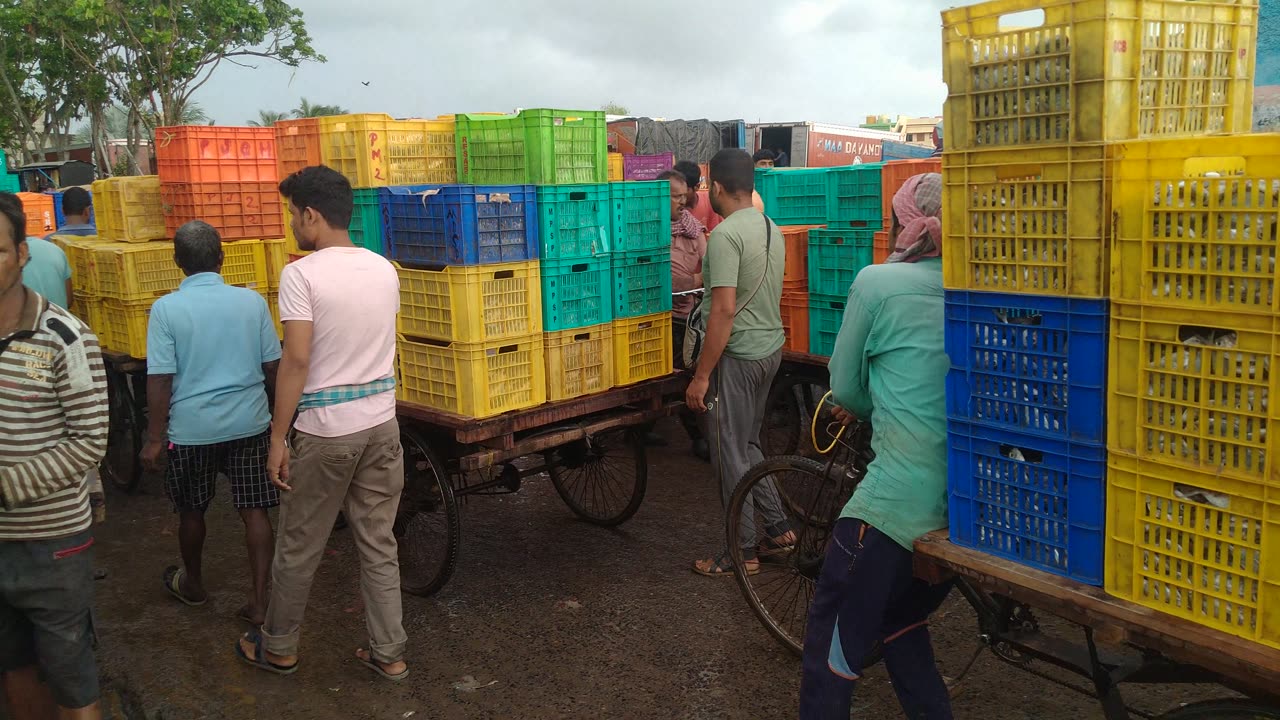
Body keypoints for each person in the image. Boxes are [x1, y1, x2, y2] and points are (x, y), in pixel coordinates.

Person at [234, 166, 407, 682]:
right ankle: (389, 651)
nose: (291, 223)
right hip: (382, 424)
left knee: (299, 544)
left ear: (310, 214)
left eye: (292, 213)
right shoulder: (384, 268)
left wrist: (276, 437)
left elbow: (297, 360)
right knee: (379, 543)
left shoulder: (301, 275)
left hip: (327, 431)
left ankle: (280, 646)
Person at [799, 174, 952, 719]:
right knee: (901, 623)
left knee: (830, 652)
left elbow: (844, 386)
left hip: (895, 510)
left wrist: (865, 404)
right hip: (965, 515)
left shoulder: (877, 282)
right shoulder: (975, 285)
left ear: (905, 224)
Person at [0, 192, 109, 720]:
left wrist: (5, 487)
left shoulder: (64, 337)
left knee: (70, 674)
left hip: (52, 542)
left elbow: (90, 440)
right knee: (13, 666)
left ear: (22, 253)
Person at [140, 221, 281, 627]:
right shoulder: (250, 302)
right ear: (222, 258)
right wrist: (285, 422)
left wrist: (154, 438)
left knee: (190, 510)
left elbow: (160, 378)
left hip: (191, 430)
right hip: (249, 423)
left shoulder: (166, 309)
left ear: (177, 263)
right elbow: (272, 366)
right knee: (254, 510)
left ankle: (195, 585)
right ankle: (259, 602)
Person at [686, 149, 790, 578]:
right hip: (771, 349)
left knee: (728, 452)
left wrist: (702, 375)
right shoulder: (770, 227)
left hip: (740, 355)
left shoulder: (726, 236)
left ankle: (740, 550)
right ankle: (780, 530)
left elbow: (723, 311)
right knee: (748, 444)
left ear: (718, 188)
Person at [658, 169, 709, 461]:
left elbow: (709, 266)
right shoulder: (648, 228)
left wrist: (692, 282)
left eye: (682, 195)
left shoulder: (693, 228)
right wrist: (693, 281)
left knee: (682, 374)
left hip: (685, 316)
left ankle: (697, 436)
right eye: (674, 196)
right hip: (656, 314)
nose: (681, 201)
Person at [679, 159, 766, 236]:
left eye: (684, 191)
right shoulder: (673, 208)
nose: (680, 198)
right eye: (676, 194)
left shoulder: (713, 200)